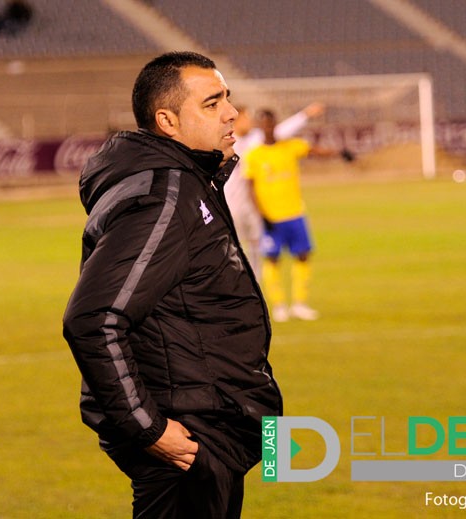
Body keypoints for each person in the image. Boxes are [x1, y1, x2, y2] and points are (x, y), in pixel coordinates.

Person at [62, 51, 282, 519]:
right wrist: (148, 429)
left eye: (228, 98)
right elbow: (93, 318)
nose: (231, 113)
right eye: (211, 103)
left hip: (208, 425)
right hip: (188, 437)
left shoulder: (188, 181)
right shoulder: (166, 192)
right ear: (168, 121)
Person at [244, 108, 353, 322]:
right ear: (259, 127)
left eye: (271, 123)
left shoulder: (289, 146)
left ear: (275, 124)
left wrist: (339, 153)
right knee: (272, 258)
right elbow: (250, 188)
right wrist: (261, 215)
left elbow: (314, 151)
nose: (268, 127)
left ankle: (300, 304)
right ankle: (278, 305)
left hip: (295, 213)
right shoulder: (254, 155)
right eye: (264, 124)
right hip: (271, 217)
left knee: (302, 255)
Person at [226, 103, 325, 277]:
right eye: (246, 117)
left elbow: (281, 130)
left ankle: (254, 283)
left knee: (256, 246)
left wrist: (305, 114)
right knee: (231, 246)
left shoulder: (255, 139)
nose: (249, 121)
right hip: (229, 203)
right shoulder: (225, 141)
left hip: (252, 204)